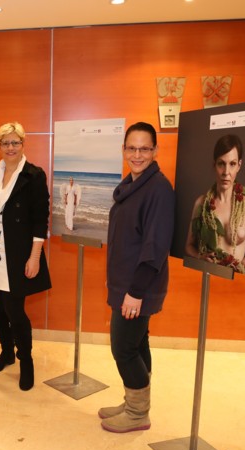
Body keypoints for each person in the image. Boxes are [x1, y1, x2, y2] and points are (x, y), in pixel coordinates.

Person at [99, 121, 174, 433]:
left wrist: (135, 292)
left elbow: (154, 247)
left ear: (155, 150)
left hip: (138, 286)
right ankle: (134, 401)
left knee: (123, 348)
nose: (137, 154)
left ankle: (137, 413)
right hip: (126, 283)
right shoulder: (132, 184)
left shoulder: (159, 189)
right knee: (138, 342)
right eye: (132, 148)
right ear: (123, 150)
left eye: (145, 148)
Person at [0, 122, 51, 391]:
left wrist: (35, 256)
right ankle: (6, 353)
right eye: (5, 143)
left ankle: (25, 360)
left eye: (15, 142)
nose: (11, 147)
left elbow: (40, 219)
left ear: (23, 144)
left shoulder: (34, 175)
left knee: (15, 310)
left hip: (17, 253)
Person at [184, 134, 245, 275]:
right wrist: (200, 256)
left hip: (235, 281)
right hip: (207, 277)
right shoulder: (201, 203)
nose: (226, 172)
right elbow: (188, 246)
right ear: (214, 165)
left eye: (232, 164)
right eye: (221, 164)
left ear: (239, 165)